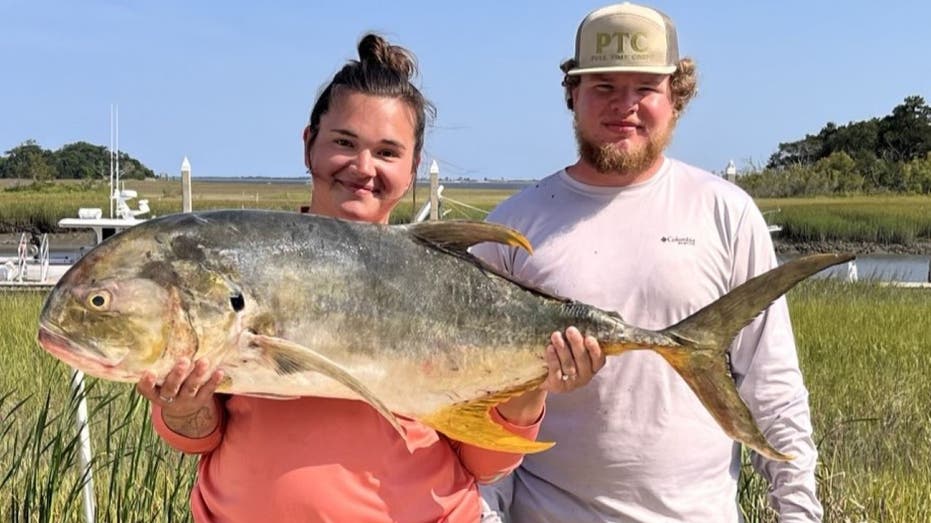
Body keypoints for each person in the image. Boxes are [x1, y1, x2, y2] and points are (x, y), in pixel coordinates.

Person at [135, 33, 601, 523]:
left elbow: (485, 465)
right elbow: (198, 437)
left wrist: (533, 383)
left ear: (413, 166)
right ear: (309, 144)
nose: (363, 168)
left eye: (387, 152)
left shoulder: (445, 281)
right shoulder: (247, 264)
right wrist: (184, 406)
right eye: (344, 142)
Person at [475, 3, 823, 522]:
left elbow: (772, 386)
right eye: (604, 87)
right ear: (572, 94)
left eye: (645, 88)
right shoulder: (510, 227)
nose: (625, 106)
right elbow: (482, 405)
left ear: (676, 97)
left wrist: (799, 512)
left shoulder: (726, 212)